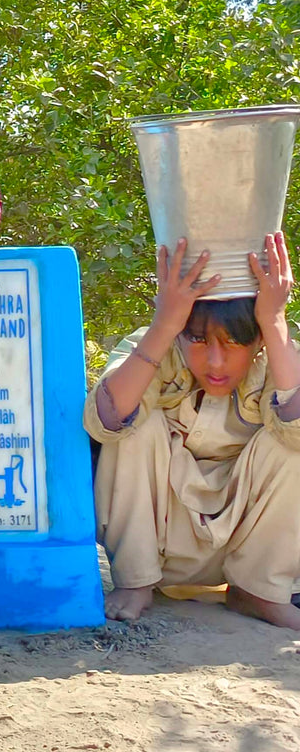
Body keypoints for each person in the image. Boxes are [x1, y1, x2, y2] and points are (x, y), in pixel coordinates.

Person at [85, 234, 300, 629]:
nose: (215, 361)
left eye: (234, 343)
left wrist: (273, 320)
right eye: (198, 340)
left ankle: (259, 593)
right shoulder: (156, 346)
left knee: (291, 443)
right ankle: (136, 583)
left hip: (241, 547)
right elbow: (105, 423)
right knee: (136, 421)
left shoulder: (277, 358)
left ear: (256, 342)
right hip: (159, 543)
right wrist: (165, 325)